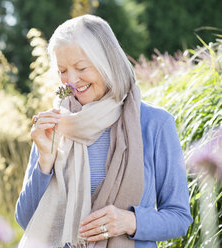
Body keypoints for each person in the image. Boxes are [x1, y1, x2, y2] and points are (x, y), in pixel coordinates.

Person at [15, 14, 193, 248]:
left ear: (107, 62)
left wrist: (131, 221)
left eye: (81, 67)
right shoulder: (56, 124)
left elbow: (180, 218)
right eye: (63, 70)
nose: (71, 80)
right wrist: (45, 162)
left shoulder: (155, 124)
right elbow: (27, 221)